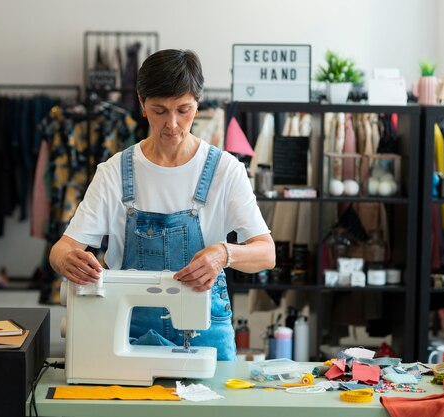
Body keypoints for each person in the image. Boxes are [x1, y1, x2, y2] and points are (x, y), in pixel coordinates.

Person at [49, 49, 275, 360]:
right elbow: (61, 249)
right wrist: (66, 260)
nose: (172, 124)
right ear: (141, 104)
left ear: (198, 103)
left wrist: (224, 253)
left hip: (207, 328)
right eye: (159, 110)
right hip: (129, 329)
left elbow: (267, 253)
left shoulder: (225, 170)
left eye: (183, 110)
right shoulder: (115, 172)